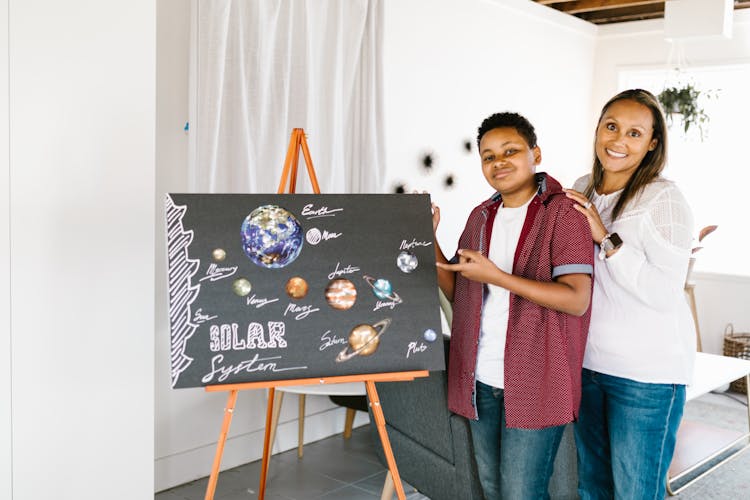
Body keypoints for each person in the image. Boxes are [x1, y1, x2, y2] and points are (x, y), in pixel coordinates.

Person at [433, 111, 594, 499]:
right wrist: (428, 236)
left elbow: (576, 299)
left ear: (534, 153)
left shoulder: (563, 213)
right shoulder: (480, 216)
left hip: (537, 380)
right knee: (490, 488)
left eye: (510, 151)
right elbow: (460, 290)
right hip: (480, 379)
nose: (498, 162)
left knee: (521, 493)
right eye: (488, 156)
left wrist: (499, 278)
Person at [564, 89, 695, 499]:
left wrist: (605, 238)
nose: (618, 140)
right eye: (612, 126)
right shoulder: (582, 188)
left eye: (635, 133)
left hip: (646, 376)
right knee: (593, 488)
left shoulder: (664, 199)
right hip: (587, 364)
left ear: (652, 143)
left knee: (637, 491)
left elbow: (663, 292)